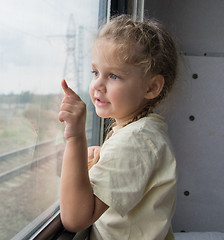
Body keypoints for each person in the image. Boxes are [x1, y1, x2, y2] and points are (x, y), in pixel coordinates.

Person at [58, 14, 178, 240]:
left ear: (152, 87)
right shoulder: (141, 131)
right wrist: (102, 160)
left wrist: (75, 138)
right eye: (96, 73)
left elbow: (74, 219)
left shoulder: (135, 141)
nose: (97, 85)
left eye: (113, 75)